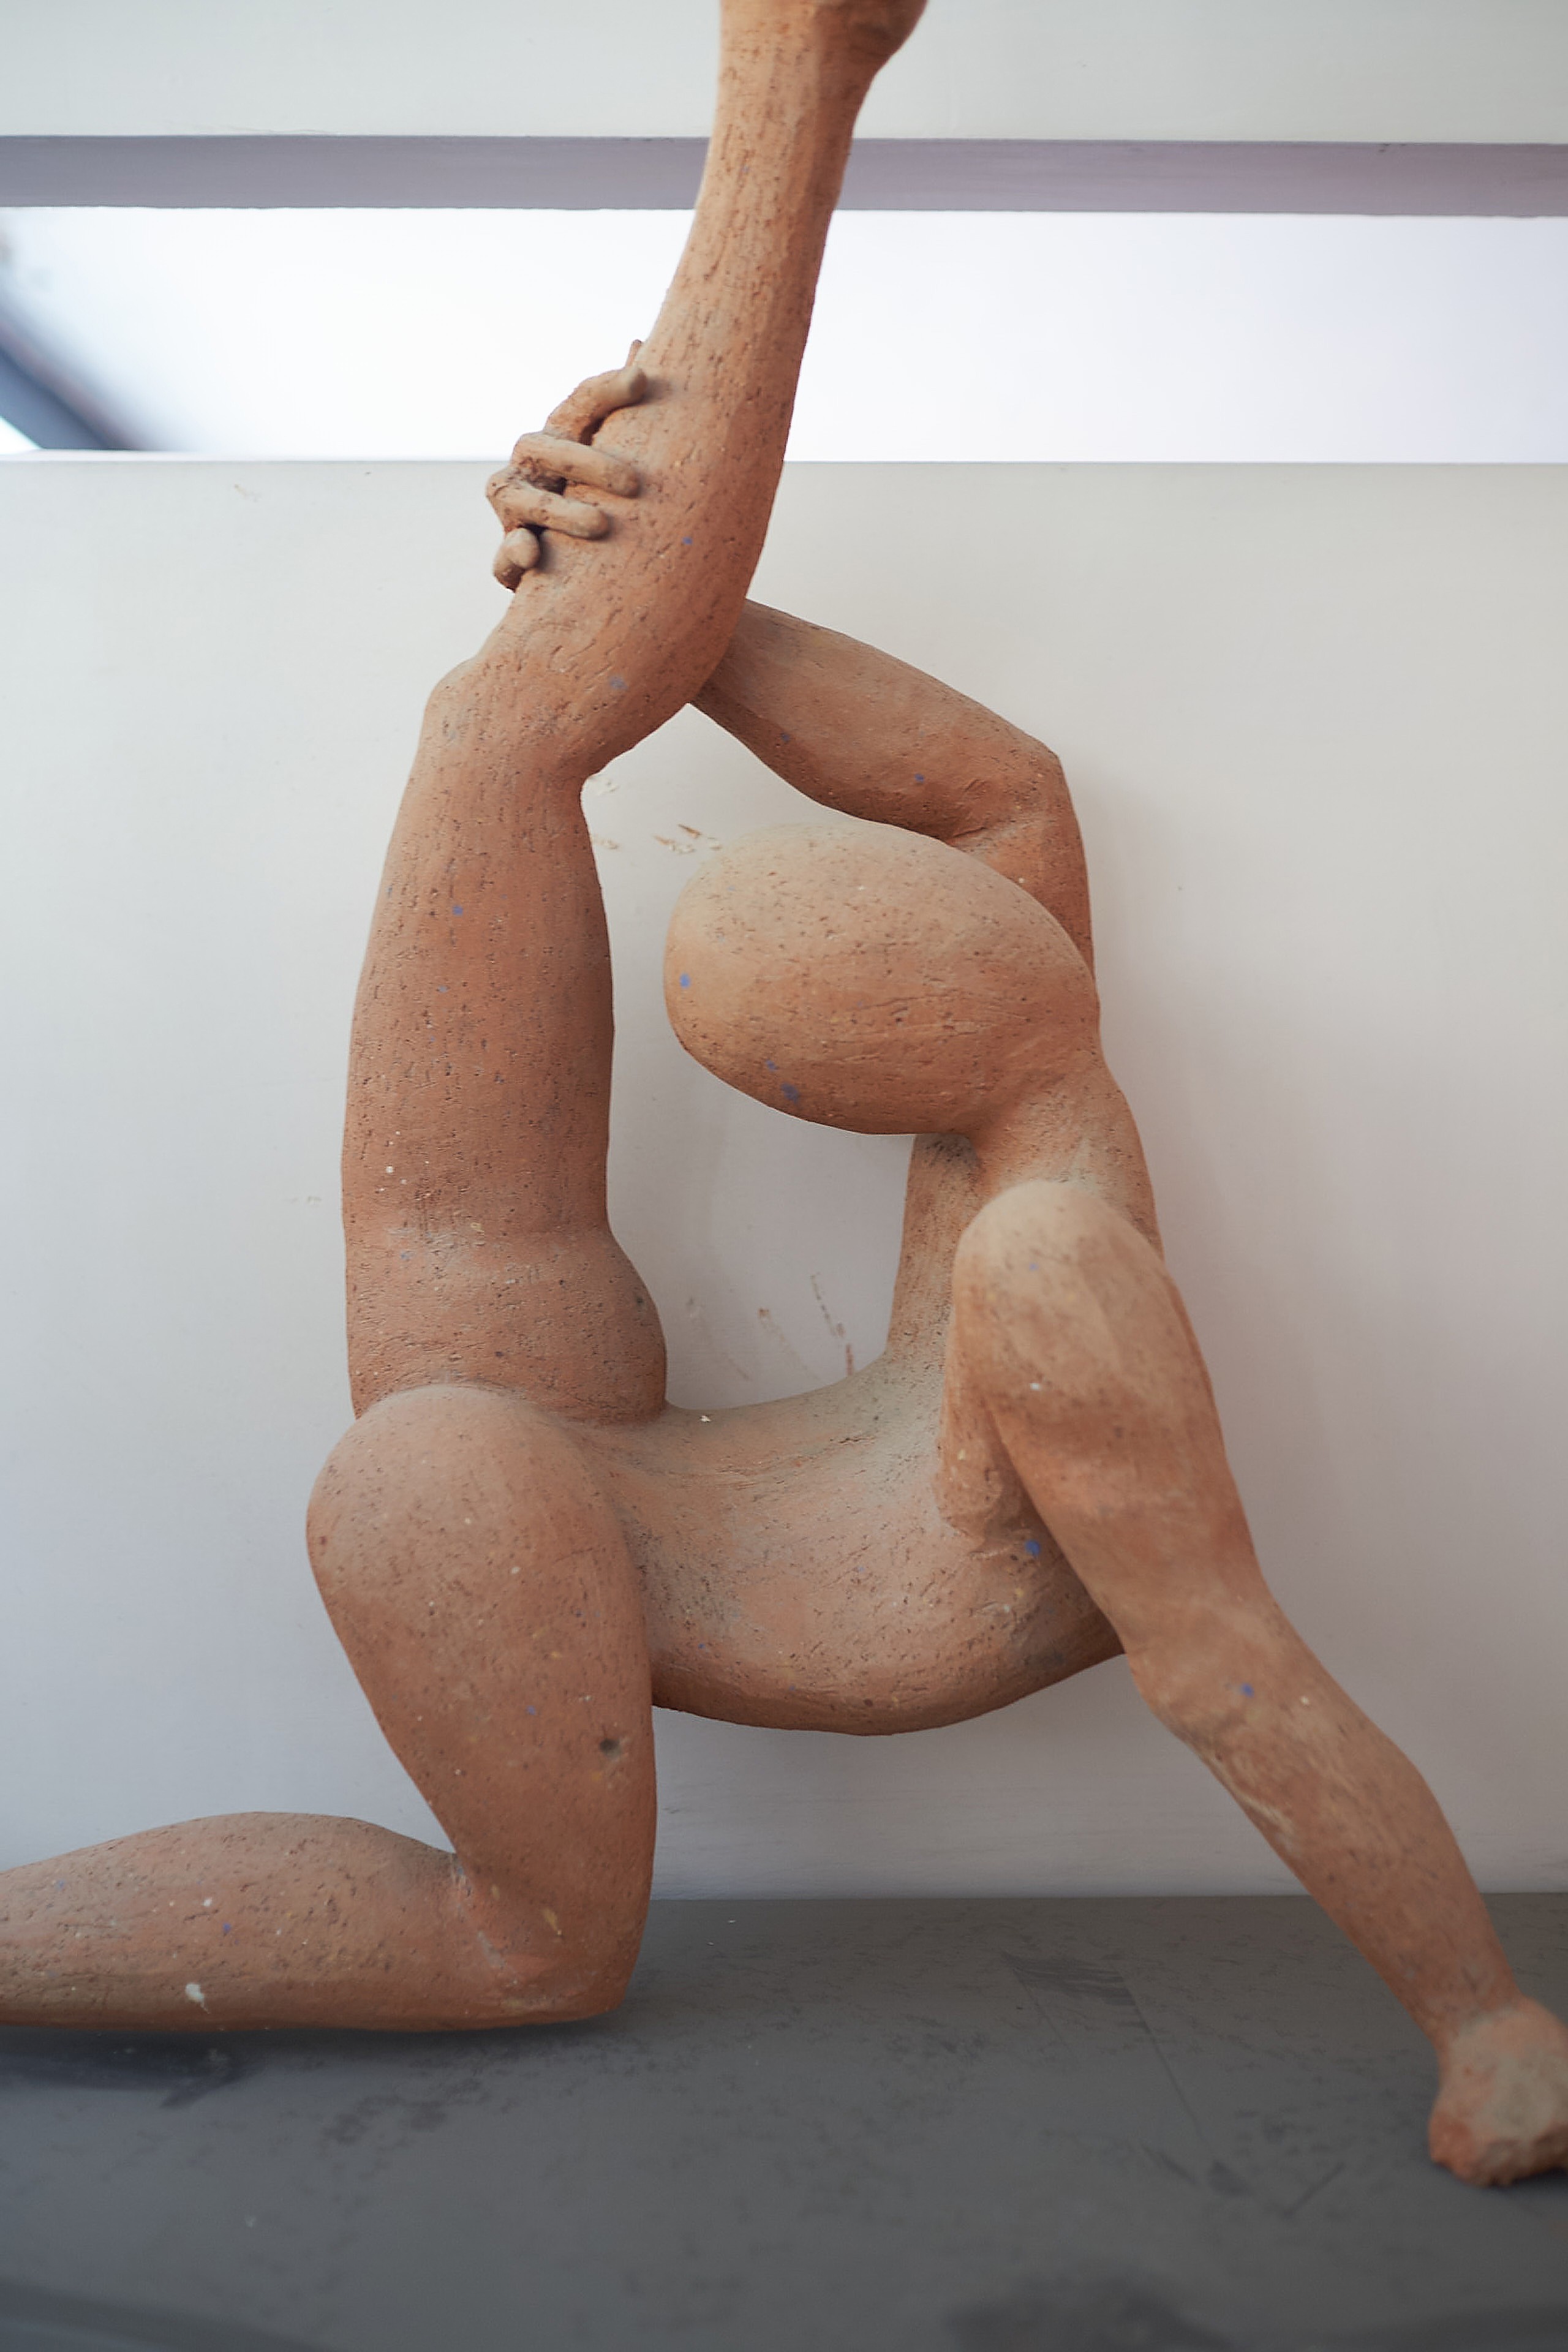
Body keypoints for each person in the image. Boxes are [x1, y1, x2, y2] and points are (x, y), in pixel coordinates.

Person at [3, 0, 1565, 2191]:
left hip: (787, 1573)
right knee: (505, 733)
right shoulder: (1028, 976)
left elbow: (1224, 1661)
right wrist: (653, 595)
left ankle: (791, 87)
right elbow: (993, 785)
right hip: (588, 1483)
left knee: (532, 1938)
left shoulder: (1044, 1265)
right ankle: (793, 77)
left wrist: (1485, 2014)